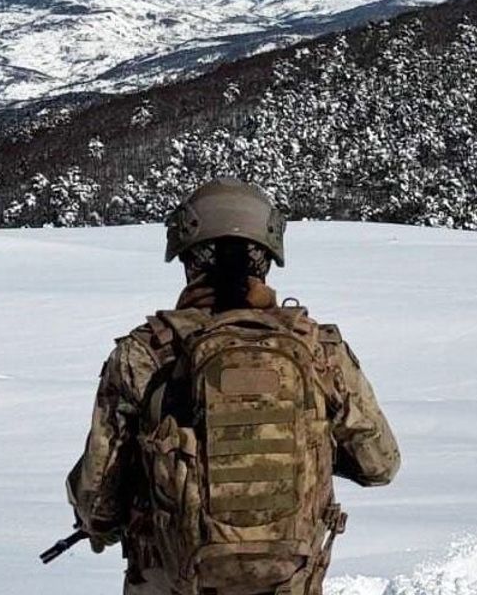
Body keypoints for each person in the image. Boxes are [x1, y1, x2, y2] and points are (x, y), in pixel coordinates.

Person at [65, 179, 400, 595]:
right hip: (288, 581)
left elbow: (97, 501)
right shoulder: (318, 349)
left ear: (187, 257)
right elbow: (379, 464)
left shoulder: (143, 354)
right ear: (268, 256)